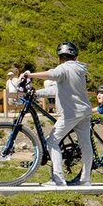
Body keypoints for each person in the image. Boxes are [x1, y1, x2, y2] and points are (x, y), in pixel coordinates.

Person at [21, 42, 93, 187]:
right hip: (84, 111)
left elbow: (52, 74)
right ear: (75, 56)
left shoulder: (64, 68)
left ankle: (58, 179)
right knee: (86, 146)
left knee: (52, 141)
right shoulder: (79, 70)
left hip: (70, 113)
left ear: (60, 57)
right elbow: (56, 89)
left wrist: (30, 74)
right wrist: (38, 93)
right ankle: (85, 180)